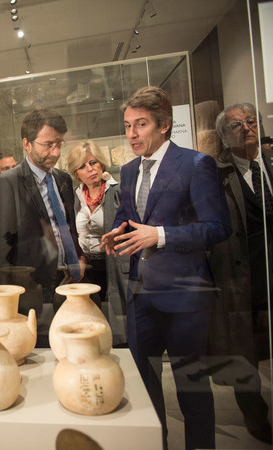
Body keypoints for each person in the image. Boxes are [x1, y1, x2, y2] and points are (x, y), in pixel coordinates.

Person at [100, 86, 231, 450]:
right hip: (140, 295)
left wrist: (159, 235)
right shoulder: (127, 171)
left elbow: (218, 228)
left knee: (192, 389)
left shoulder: (196, 164)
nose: (132, 134)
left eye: (140, 124)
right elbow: (131, 217)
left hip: (186, 298)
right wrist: (119, 231)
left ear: (164, 126)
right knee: (144, 388)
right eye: (127, 125)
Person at [0, 108, 86, 320]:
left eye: (59, 144)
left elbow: (68, 228)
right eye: (48, 145)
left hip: (69, 283)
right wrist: (3, 306)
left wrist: (77, 257)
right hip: (31, 291)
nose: (56, 152)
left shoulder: (63, 179)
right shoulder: (6, 184)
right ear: (27, 143)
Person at [210, 102, 272, 443]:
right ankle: (253, 412)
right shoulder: (216, 173)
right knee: (243, 346)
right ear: (223, 134)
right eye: (236, 125)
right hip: (239, 273)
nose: (245, 128)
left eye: (251, 121)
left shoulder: (270, 164)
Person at [64, 141, 128, 345]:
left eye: (93, 162)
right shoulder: (73, 196)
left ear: (101, 164)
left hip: (113, 265)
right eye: (82, 166)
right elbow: (69, 232)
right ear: (76, 173)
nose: (90, 169)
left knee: (117, 325)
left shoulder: (117, 191)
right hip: (85, 267)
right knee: (88, 324)